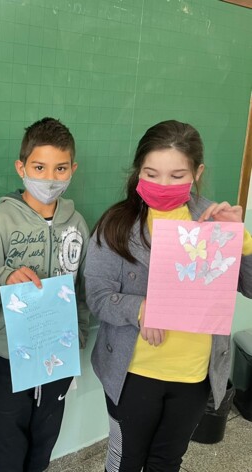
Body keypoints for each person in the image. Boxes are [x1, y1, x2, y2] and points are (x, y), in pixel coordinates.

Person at [84, 120, 252, 472]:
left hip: (193, 375)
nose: (163, 184)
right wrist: (141, 308)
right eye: (152, 173)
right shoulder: (116, 224)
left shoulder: (213, 222)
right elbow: (97, 295)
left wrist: (242, 241)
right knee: (125, 458)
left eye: (177, 175)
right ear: (138, 171)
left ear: (197, 172)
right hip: (134, 371)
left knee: (167, 460)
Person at [0, 117, 90, 472]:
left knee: (41, 451)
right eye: (39, 167)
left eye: (60, 168)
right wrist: (5, 278)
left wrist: (78, 334)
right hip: (4, 359)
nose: (50, 178)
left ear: (72, 169)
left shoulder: (77, 223)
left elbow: (81, 286)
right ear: (21, 167)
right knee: (6, 457)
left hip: (56, 356)